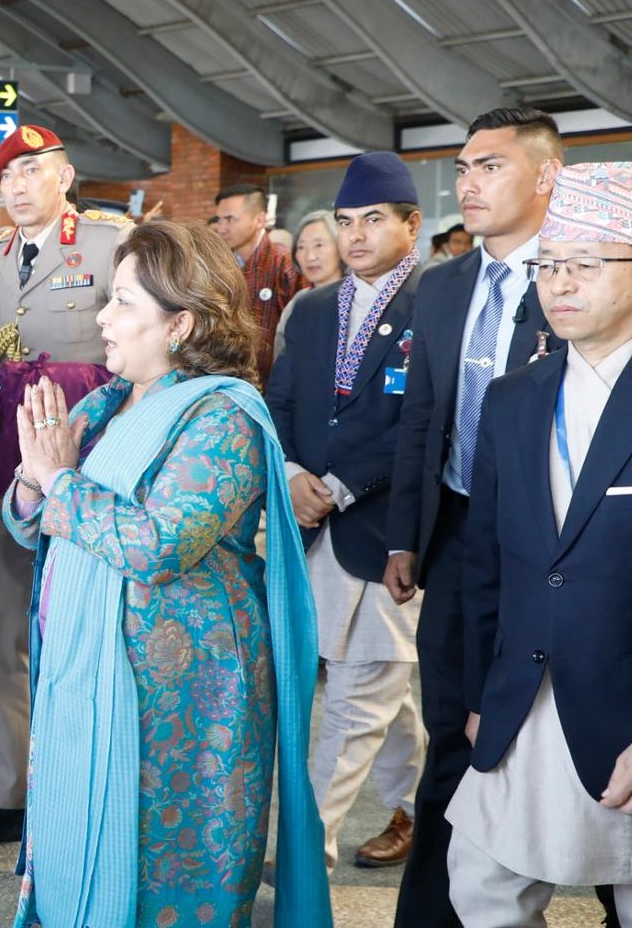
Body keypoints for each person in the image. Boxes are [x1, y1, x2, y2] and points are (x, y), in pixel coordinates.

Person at [3, 219, 329, 926]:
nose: (102, 318)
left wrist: (58, 486)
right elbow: (34, 519)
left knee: (164, 869)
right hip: (85, 674)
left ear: (180, 323)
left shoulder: (224, 418)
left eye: (123, 302)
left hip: (180, 700)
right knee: (75, 838)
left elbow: (159, 545)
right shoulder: (108, 400)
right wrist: (33, 489)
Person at [449, 160, 632, 927]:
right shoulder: (515, 398)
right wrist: (479, 697)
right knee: (483, 887)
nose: (559, 284)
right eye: (549, 265)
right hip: (520, 701)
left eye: (585, 265)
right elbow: (488, 566)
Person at [385, 107, 568, 928]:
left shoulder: (577, 276)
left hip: (559, 544)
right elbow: (420, 417)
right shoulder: (444, 283)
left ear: (545, 176)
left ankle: (624, 898)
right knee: (449, 728)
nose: (469, 181)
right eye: (464, 166)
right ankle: (431, 914)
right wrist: (405, 535)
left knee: (572, 732)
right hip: (456, 534)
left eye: (490, 165)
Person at [0, 124, 132, 855]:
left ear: (65, 177)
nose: (16, 188)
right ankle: (3, 793)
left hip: (93, 469)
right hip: (1, 472)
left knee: (93, 634)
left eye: (31, 172)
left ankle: (95, 790)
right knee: (0, 636)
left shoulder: (113, 247)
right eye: (5, 177)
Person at [267, 153, 427, 874]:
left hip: (391, 527)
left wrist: (341, 484)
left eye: (373, 220)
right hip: (310, 524)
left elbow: (431, 423)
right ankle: (423, 804)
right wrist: (296, 474)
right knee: (376, 677)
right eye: (345, 221)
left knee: (361, 686)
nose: (355, 235)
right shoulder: (312, 307)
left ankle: (308, 844)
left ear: (410, 224)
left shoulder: (440, 300)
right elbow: (282, 404)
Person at [212, 183, 309, 385]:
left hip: (275, 382)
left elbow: (301, 328)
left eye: (230, 219)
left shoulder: (284, 261)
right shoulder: (219, 264)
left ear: (259, 219)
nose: (221, 228)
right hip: (227, 379)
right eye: (220, 219)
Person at [274, 210, 347, 361]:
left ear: (341, 247)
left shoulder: (359, 298)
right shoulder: (298, 302)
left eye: (319, 245)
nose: (310, 256)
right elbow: (281, 361)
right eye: (301, 247)